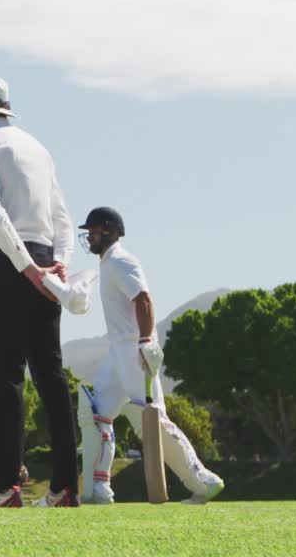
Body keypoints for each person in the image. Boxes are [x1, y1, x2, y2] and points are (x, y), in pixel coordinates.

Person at [0, 74, 80, 508]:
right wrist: (57, 265)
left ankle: (4, 487)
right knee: (51, 375)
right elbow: (63, 217)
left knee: (6, 380)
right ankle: (65, 488)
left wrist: (26, 269)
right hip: (44, 258)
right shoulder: (38, 149)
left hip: (10, 264)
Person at [76, 207, 225, 505]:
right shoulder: (107, 263)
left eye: (93, 230)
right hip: (117, 354)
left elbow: (143, 298)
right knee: (96, 415)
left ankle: (203, 481)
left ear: (109, 231)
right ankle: (99, 488)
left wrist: (146, 341)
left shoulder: (121, 260)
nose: (88, 236)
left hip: (134, 352)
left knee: (155, 422)